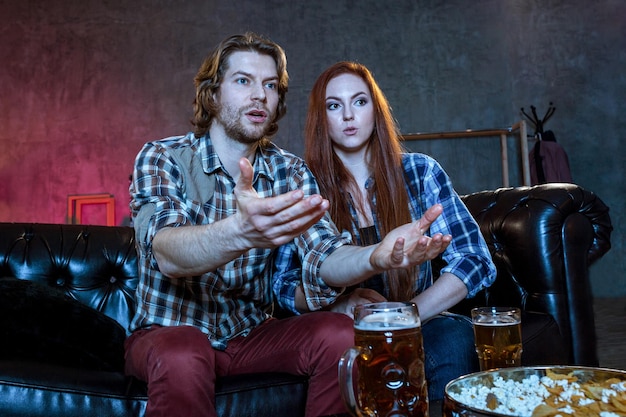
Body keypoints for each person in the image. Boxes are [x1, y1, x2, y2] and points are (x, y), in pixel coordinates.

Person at [126, 34, 452, 417]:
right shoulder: (162, 156)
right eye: (243, 81)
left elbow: (325, 254)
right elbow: (167, 253)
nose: (260, 95)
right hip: (168, 333)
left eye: (270, 86)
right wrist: (240, 232)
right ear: (212, 95)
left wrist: (375, 257)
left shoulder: (290, 171)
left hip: (250, 335)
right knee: (184, 352)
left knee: (339, 333)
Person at [273, 61, 497, 401]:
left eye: (360, 101)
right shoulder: (303, 185)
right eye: (334, 105)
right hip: (345, 332)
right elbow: (283, 284)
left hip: (420, 321)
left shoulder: (420, 171)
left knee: (454, 337)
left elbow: (474, 260)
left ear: (375, 110)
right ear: (322, 118)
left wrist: (407, 316)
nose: (348, 115)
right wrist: (339, 305)